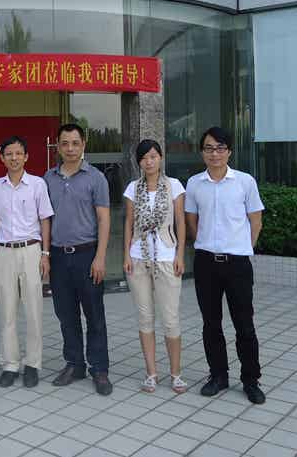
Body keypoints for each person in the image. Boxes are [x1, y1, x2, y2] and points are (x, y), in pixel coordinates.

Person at [185, 126, 266, 404]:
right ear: (202, 152)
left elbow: (256, 221)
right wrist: (206, 243)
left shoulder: (245, 182)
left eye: (220, 148)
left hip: (237, 264)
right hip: (206, 263)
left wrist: (243, 248)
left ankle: (251, 380)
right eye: (209, 148)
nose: (215, 153)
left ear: (229, 151)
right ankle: (218, 375)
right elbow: (192, 221)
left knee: (244, 324)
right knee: (211, 324)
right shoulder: (194, 184)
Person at [44, 123, 113, 395]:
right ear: (58, 146)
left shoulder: (96, 178)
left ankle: (99, 368)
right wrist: (45, 254)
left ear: (83, 144)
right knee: (66, 314)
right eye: (65, 143)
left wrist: (100, 257)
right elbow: (45, 220)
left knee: (94, 314)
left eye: (75, 143)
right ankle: (74, 364)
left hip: (87, 255)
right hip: (59, 256)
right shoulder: (48, 178)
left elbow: (104, 219)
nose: (70, 148)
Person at [0, 136, 53, 388]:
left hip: (31, 251)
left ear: (26, 157)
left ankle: (32, 364)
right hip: (5, 252)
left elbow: (45, 219)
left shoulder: (37, 184)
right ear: (2, 158)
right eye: (9, 154)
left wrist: (45, 254)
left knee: (34, 311)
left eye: (18, 153)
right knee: (7, 312)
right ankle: (10, 364)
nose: (14, 158)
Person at [123, 139, 187, 394]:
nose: (148, 161)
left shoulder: (174, 186)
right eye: (144, 158)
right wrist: (126, 255)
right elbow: (129, 223)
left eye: (153, 156)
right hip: (138, 258)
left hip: (167, 257)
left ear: (160, 158)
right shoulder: (132, 188)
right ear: (138, 162)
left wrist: (180, 255)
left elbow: (180, 222)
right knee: (145, 318)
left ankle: (176, 374)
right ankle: (151, 373)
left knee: (170, 319)